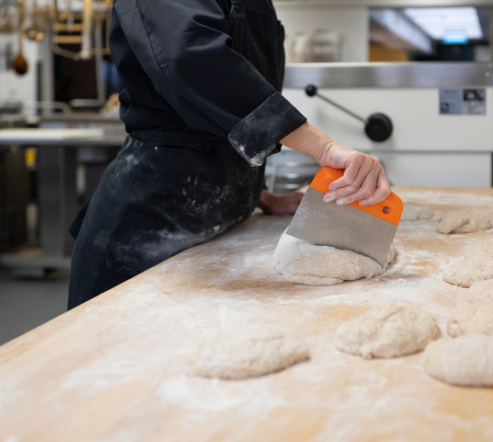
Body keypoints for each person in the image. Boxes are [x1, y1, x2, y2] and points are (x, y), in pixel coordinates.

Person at [67, 0, 390, 309]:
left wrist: (256, 195)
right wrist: (323, 148)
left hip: (216, 232)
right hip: (146, 231)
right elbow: (191, 59)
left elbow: (225, 119)